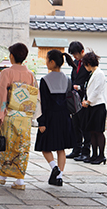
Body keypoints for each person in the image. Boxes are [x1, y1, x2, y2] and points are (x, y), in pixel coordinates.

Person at [0, 43, 38, 190]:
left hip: (10, 115)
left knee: (6, 145)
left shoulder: (6, 73)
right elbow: (35, 96)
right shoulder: (30, 74)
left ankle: (2, 176)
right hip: (24, 117)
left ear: (11, 56)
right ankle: (20, 181)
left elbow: (1, 95)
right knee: (22, 146)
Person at [34, 50, 77, 187]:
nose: (46, 62)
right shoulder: (67, 79)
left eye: (47, 60)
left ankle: (54, 168)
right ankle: (59, 176)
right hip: (64, 117)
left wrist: (42, 122)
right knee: (61, 148)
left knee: (45, 146)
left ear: (52, 62)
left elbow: (44, 103)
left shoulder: (45, 80)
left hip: (50, 117)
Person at [66, 41, 92, 161]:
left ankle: (86, 151)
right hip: (74, 98)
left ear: (82, 52)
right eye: (73, 55)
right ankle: (76, 149)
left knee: (84, 125)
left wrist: (80, 87)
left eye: (76, 54)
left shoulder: (89, 63)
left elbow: (91, 81)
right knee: (75, 124)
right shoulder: (76, 63)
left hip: (84, 98)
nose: (75, 57)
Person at [81, 52, 107, 165]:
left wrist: (88, 101)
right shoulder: (93, 73)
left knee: (98, 131)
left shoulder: (99, 73)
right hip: (92, 106)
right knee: (92, 131)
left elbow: (97, 89)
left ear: (88, 63)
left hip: (98, 105)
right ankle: (94, 154)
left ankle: (101, 155)